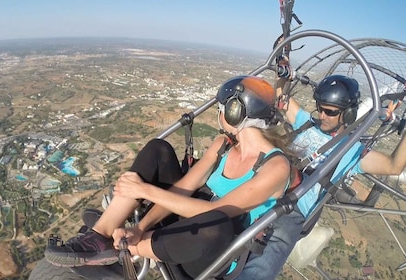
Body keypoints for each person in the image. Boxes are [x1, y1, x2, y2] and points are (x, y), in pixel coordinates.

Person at [44, 75, 294, 278]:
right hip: (178, 228)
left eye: (221, 109)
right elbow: (183, 188)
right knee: (158, 149)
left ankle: (124, 252)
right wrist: (140, 228)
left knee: (215, 223)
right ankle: (98, 237)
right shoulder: (224, 144)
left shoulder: (276, 167)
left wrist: (143, 192)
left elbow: (218, 211)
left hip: (211, 251)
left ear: (233, 112)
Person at [236, 74, 406, 279]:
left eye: (330, 112)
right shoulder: (306, 122)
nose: (322, 115)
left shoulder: (353, 151)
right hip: (265, 182)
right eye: (320, 108)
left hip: (293, 208)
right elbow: (281, 97)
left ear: (348, 114)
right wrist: (284, 68)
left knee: (268, 256)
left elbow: (394, 165)